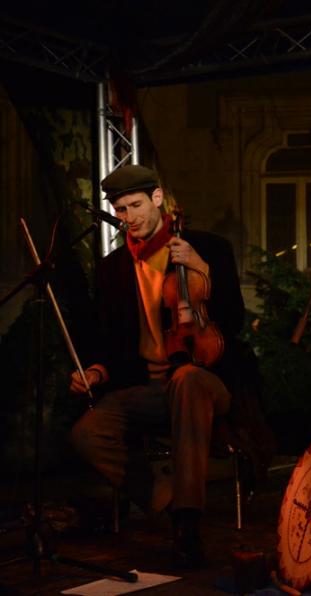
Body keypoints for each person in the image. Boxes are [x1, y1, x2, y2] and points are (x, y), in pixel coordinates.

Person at [69, 164, 245, 568]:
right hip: (148, 389)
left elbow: (233, 322)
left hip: (207, 380)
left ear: (158, 199)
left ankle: (187, 522)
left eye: (136, 205)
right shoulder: (113, 268)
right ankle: (172, 505)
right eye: (120, 209)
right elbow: (111, 342)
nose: (128, 217)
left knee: (187, 380)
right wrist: (96, 370)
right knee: (86, 434)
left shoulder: (209, 248)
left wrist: (202, 269)